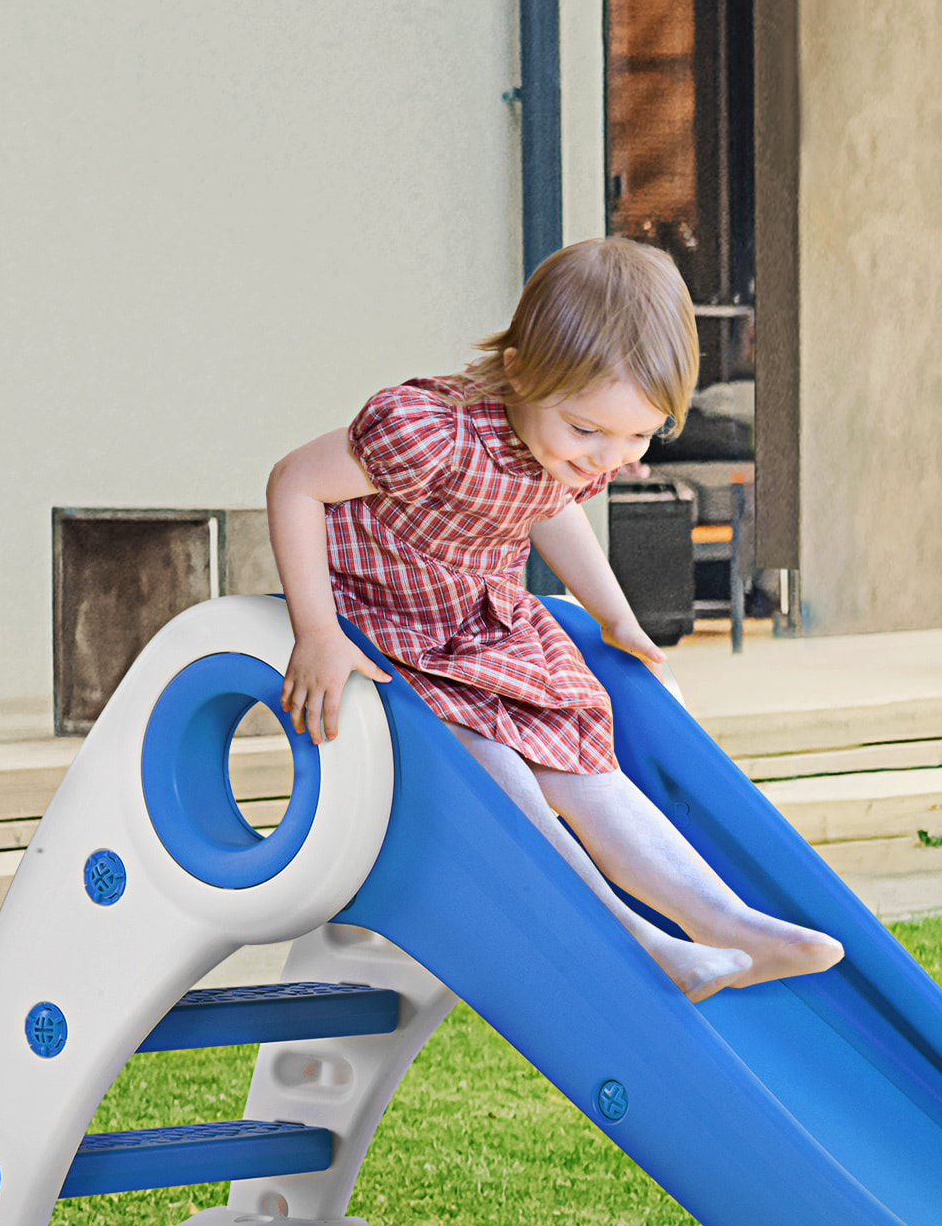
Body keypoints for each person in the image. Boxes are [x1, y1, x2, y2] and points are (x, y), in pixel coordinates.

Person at [264, 236, 844, 1005]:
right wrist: (316, 631)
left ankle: (727, 922)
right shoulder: (427, 436)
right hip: (389, 631)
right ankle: (641, 943)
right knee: (502, 774)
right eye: (590, 431)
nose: (610, 457)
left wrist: (617, 616)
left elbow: (554, 514)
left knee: (583, 764)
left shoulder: (565, 447)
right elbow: (294, 485)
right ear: (518, 374)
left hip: (480, 632)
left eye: (639, 435)